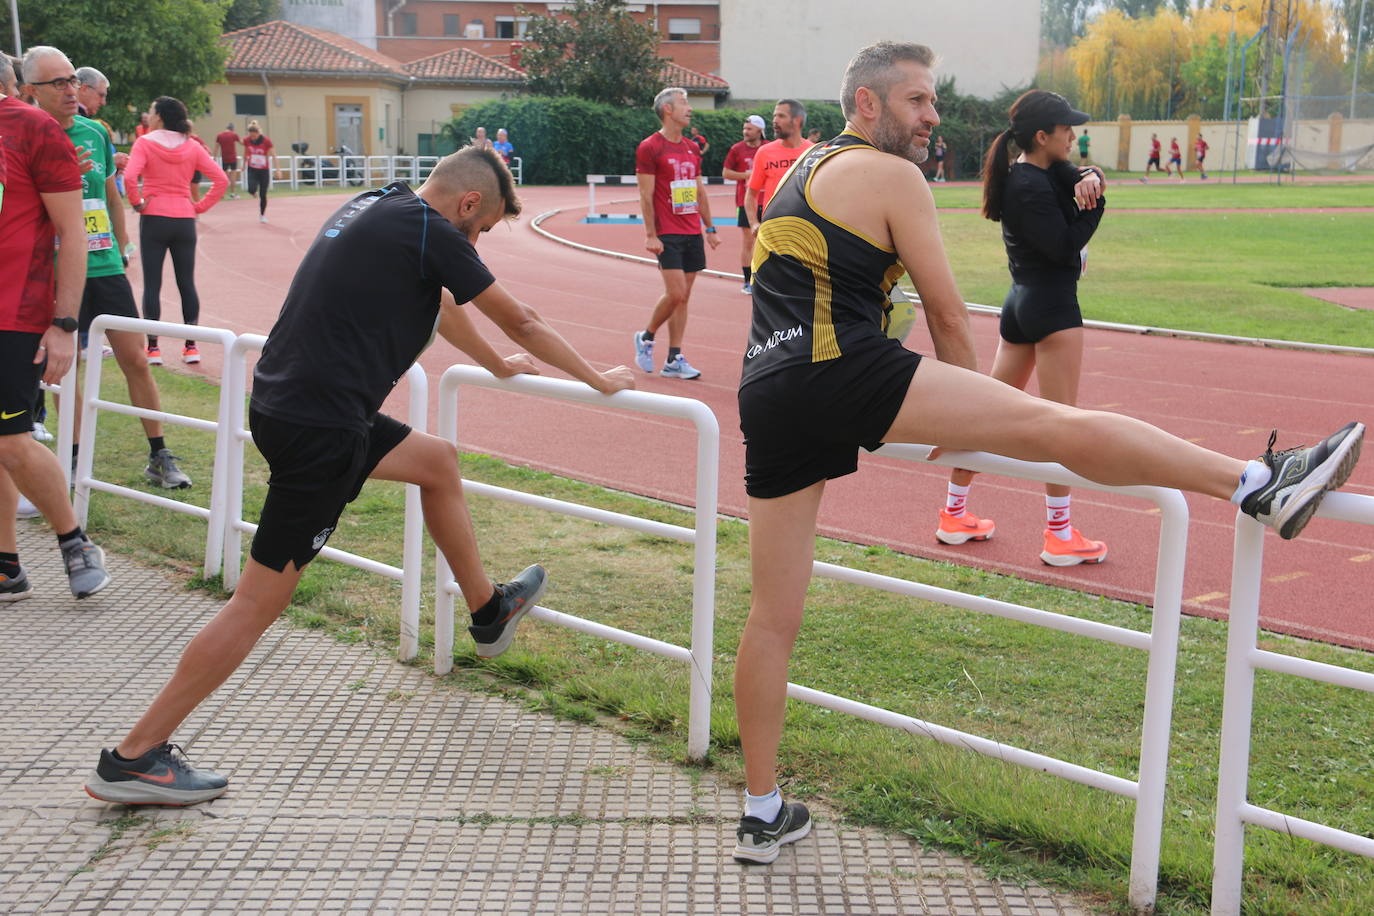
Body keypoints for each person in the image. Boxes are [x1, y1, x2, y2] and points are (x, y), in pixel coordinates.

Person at [731, 39, 1363, 866]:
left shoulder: (797, 171)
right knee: (1052, 425)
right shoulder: (892, 176)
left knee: (772, 616)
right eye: (918, 100)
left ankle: (761, 810)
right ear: (867, 106)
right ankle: (1255, 481)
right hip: (838, 369)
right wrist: (977, 415)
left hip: (766, 386)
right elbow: (952, 319)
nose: (934, 115)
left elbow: (809, 287)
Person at [84, 147, 636, 805]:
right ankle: (134, 755)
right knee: (256, 603)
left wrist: (495, 363)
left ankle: (488, 610)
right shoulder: (432, 229)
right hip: (321, 429)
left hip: (288, 404)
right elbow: (521, 316)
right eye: (482, 230)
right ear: (466, 206)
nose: (478, 242)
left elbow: (441, 301)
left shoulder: (381, 204)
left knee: (436, 462)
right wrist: (598, 380)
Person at [938, 90, 1109, 565]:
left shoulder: (1033, 174)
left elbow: (1070, 176)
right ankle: (1059, 535)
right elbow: (1061, 247)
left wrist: (1091, 176)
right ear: (1041, 136)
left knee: (989, 415)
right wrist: (1096, 207)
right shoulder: (1029, 186)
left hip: (1022, 304)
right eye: (1065, 130)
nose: (1073, 136)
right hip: (1051, 309)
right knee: (1062, 425)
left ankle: (954, 514)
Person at [25, 47, 192, 491]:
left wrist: (122, 244)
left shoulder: (95, 132)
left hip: (103, 266)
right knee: (68, 367)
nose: (70, 91)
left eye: (73, 82)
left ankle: (159, 454)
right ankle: (76, 460)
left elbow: (111, 194)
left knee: (136, 358)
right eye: (58, 84)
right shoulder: (27, 136)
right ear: (30, 91)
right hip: (57, 271)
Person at [0, 48, 113, 602]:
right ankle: (6, 565)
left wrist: (65, 322)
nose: (70, 89)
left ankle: (75, 542)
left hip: (14, 313)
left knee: (13, 438)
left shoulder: (32, 129)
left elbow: (73, 233)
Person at [124, 96, 228, 366]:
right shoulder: (191, 145)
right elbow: (221, 179)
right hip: (184, 219)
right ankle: (191, 347)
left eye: (150, 110)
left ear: (158, 116)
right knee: (186, 283)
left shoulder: (145, 143)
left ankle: (154, 348)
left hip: (154, 217)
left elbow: (129, 176)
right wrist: (199, 207)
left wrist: (137, 203)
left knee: (152, 284)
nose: (148, 114)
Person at [631, 87, 720, 381]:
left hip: (691, 229)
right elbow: (645, 195)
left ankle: (674, 358)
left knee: (684, 298)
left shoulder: (692, 148)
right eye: (684, 103)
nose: (689, 108)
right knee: (676, 292)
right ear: (667, 109)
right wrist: (650, 234)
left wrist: (710, 227)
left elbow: (698, 189)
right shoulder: (650, 147)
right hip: (666, 232)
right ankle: (646, 336)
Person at [743, 99, 813, 237]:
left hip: (805, 231)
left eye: (781, 116)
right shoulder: (764, 152)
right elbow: (751, 194)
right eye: (774, 116)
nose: (775, 120)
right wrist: (754, 223)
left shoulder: (813, 152)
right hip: (773, 232)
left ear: (797, 121)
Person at [721, 114, 766, 294]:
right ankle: (748, 281)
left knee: (768, 241)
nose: (745, 132)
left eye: (749, 129)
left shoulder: (769, 148)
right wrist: (748, 176)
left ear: (760, 130)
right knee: (748, 241)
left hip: (769, 200)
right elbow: (726, 173)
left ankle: (765, 279)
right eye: (744, 129)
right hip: (745, 201)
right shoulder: (737, 149)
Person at [242, 120, 273, 222]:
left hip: (264, 170)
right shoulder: (247, 140)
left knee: (263, 194)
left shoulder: (266, 141)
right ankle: (253, 192)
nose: (252, 138)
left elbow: (273, 155)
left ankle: (262, 215)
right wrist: (243, 165)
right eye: (251, 136)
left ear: (258, 133)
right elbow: (245, 152)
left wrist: (278, 169)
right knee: (251, 188)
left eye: (254, 136)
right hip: (252, 168)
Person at [215, 122, 241, 199]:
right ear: (232, 129)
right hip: (233, 158)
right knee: (233, 176)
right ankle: (232, 194)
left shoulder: (219, 136)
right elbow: (242, 143)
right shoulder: (234, 135)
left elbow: (216, 147)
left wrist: (214, 158)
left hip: (224, 158)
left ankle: (222, 194)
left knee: (224, 177)